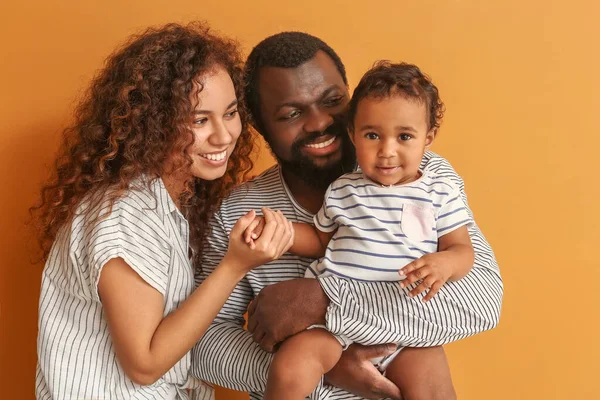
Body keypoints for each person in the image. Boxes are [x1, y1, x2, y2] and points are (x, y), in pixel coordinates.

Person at [191, 32, 503, 400]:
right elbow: (203, 341)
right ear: (258, 125)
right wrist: (324, 369)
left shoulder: (427, 177)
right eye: (291, 113)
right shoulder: (240, 213)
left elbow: (480, 302)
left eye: (333, 101)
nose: (320, 122)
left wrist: (323, 299)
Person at [31, 23, 293, 400]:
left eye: (231, 112)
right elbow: (145, 363)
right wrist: (235, 265)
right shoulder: (125, 215)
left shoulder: (174, 200)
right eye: (199, 120)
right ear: (152, 123)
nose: (223, 135)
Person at [245, 61, 475, 400]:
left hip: (404, 329)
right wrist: (280, 232)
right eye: (372, 135)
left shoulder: (440, 191)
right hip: (332, 326)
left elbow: (463, 251)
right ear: (352, 134)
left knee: (432, 385)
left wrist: (444, 264)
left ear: (428, 138)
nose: (387, 150)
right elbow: (321, 240)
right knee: (290, 364)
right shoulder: (343, 189)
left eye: (405, 136)